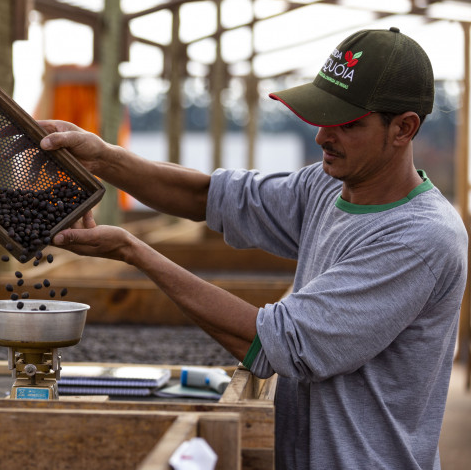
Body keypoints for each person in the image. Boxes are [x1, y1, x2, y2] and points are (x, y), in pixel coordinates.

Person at [38, 27, 467, 469]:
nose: (321, 138)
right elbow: (211, 197)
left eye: (347, 124)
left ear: (403, 128)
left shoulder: (418, 239)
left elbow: (277, 343)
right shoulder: (327, 185)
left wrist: (134, 250)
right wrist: (103, 159)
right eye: (322, 118)